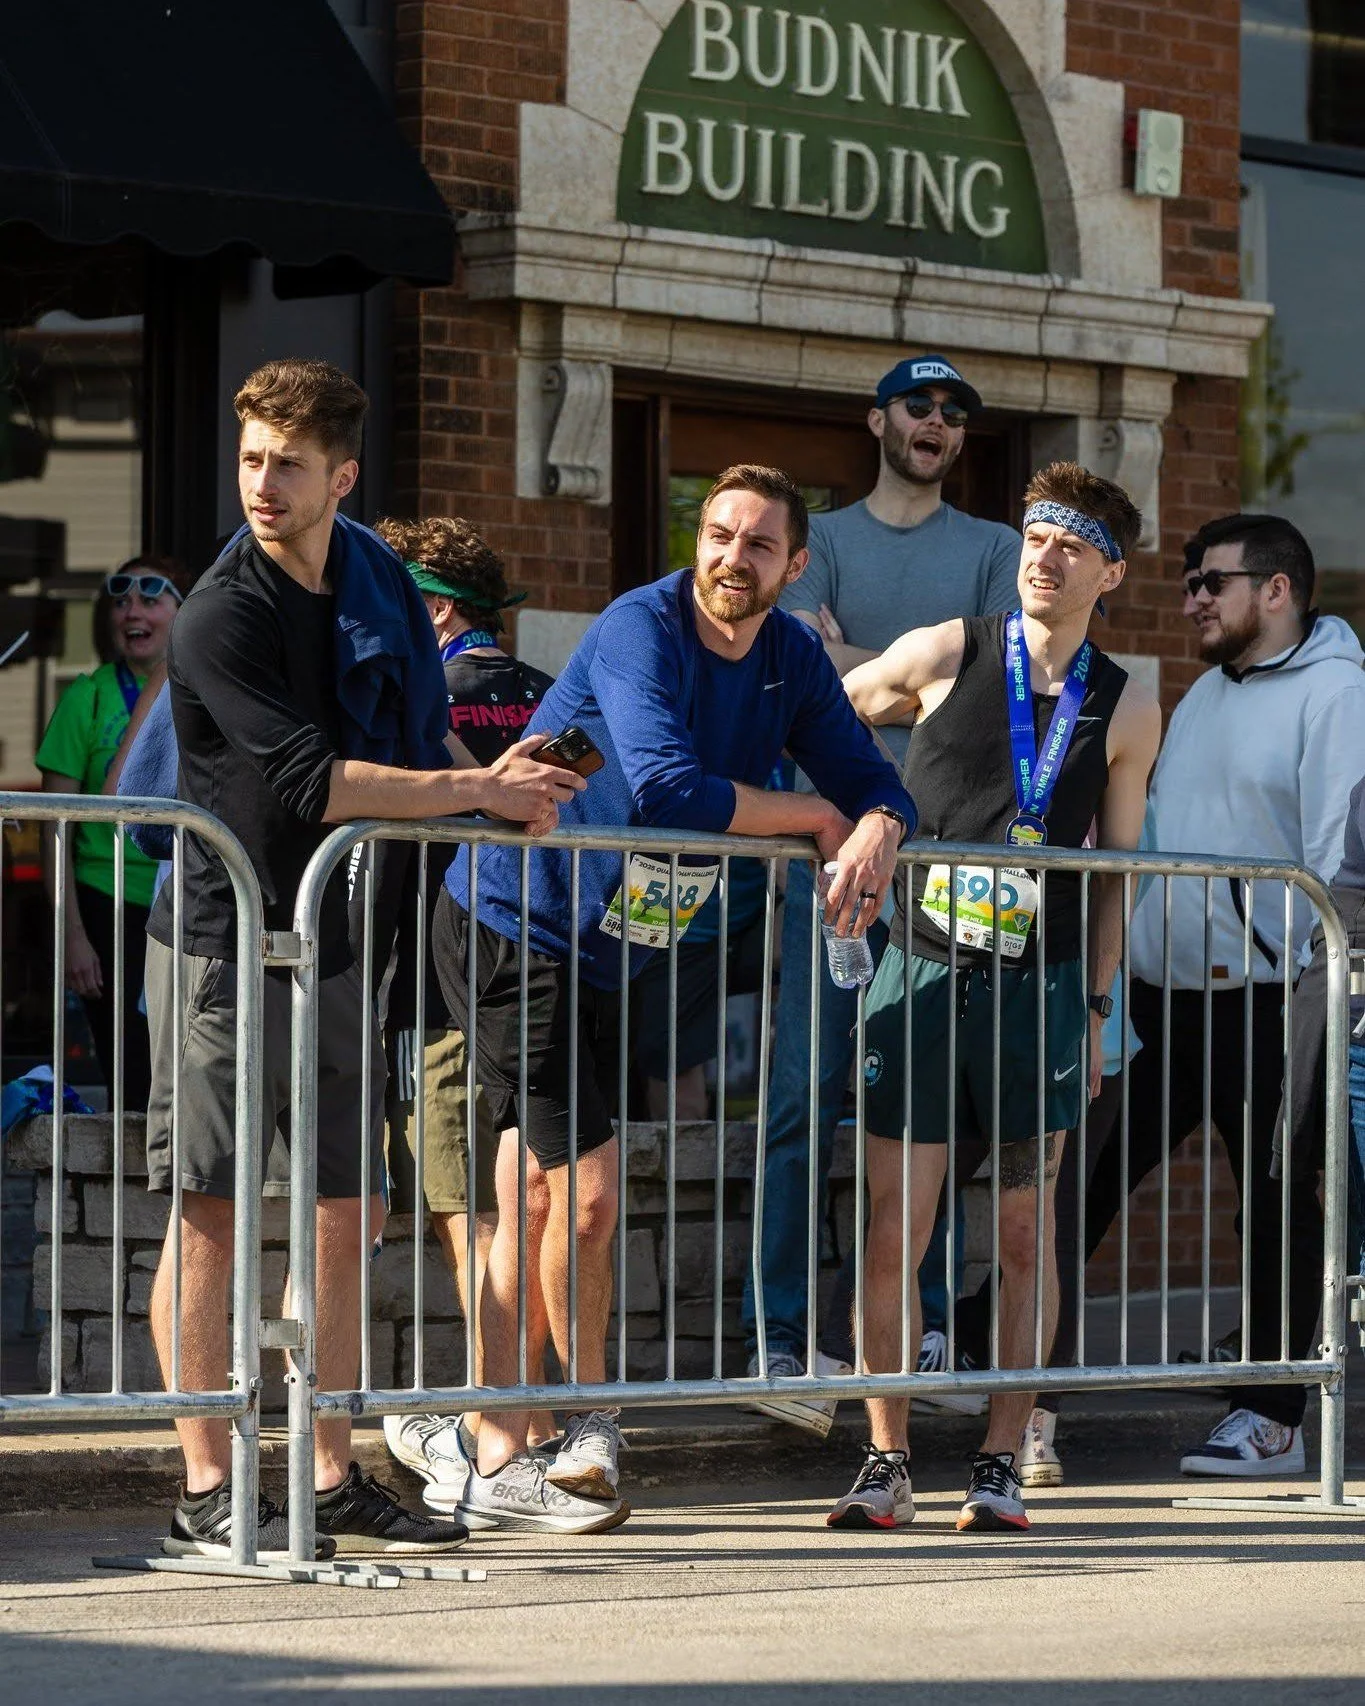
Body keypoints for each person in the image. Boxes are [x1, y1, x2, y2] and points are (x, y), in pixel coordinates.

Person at [144, 359, 584, 1561]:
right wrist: (474, 785)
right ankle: (204, 1485)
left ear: (342, 473)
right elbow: (314, 780)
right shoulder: (217, 611)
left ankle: (329, 1470)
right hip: (224, 938)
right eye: (249, 458)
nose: (263, 483)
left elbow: (415, 729)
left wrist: (500, 794)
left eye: (288, 462)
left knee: (342, 1211)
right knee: (214, 1208)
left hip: (338, 940)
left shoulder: (382, 574)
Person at [433, 462, 916, 1533]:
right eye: (718, 532)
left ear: (794, 566)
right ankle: (588, 1426)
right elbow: (666, 787)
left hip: (622, 945)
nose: (730, 558)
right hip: (521, 921)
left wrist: (875, 819)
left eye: (757, 545)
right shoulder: (636, 626)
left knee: (538, 1196)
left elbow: (874, 775)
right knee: (589, 1192)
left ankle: (487, 1435)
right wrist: (812, 819)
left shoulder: (790, 654)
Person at [834, 461, 1160, 1534]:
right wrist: (873, 815)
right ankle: (884, 1461)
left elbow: (1116, 867)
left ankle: (1001, 1456)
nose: (1043, 554)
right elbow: (832, 723)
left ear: (1107, 569)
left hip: (1044, 987)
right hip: (921, 971)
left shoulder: (1126, 699)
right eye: (1034, 535)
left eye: (1070, 543)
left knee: (1025, 1230)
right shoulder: (949, 647)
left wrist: (1104, 1008)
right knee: (898, 1228)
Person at [741, 353, 1021, 1434]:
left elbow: (992, 688)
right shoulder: (827, 543)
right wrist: (919, 676)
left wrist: (874, 674)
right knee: (804, 1097)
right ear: (879, 419)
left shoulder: (996, 549)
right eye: (920, 405)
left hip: (945, 867)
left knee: (931, 1107)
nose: (937, 421)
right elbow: (805, 677)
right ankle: (780, 1338)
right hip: (826, 859)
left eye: (954, 412)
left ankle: (930, 1330)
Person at [1080, 514, 1365, 1480]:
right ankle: (998, 1368)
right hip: (1164, 996)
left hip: (1271, 993)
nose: (1191, 597)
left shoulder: (1336, 693)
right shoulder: (1202, 690)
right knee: (1083, 1177)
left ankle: (1272, 1420)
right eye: (1190, 581)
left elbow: (1339, 859)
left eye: (1212, 581)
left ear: (1275, 590)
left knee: (1280, 1203)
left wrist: (1302, 970)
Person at [367, 515, 560, 1494]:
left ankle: (499, 1434)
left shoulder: (408, 696)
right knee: (528, 1208)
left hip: (435, 988)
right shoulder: (545, 702)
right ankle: (519, 1417)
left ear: (434, 606)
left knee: (467, 1216)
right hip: (541, 979)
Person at [36, 559, 184, 1111]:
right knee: (133, 1072)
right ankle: (139, 1195)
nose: (133, 611)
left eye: (151, 598)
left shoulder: (204, 686)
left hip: (186, 898)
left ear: (184, 612)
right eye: (121, 601)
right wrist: (71, 935)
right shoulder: (88, 695)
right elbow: (56, 825)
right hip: (110, 902)